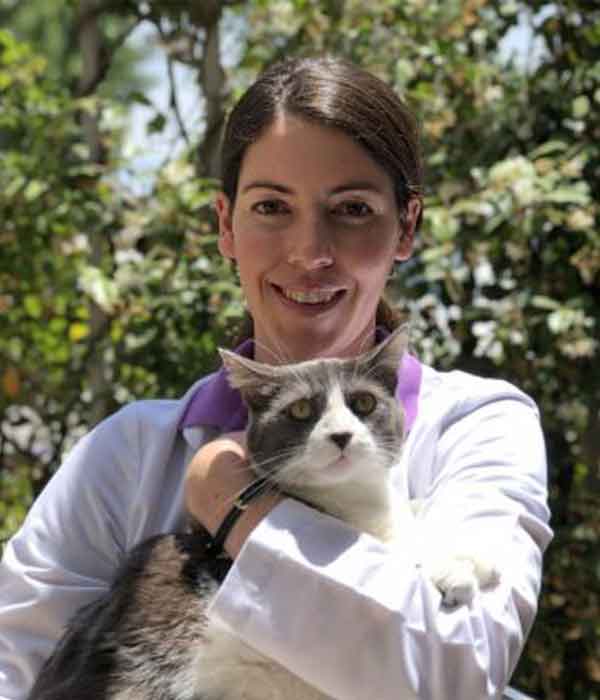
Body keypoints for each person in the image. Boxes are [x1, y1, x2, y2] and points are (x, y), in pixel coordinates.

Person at [0, 56, 552, 700]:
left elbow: (459, 669)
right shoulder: (128, 450)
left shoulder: (477, 424)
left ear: (406, 227)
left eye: (351, 209)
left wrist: (237, 505)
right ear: (225, 226)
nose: (310, 252)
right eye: (271, 207)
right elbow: (17, 664)